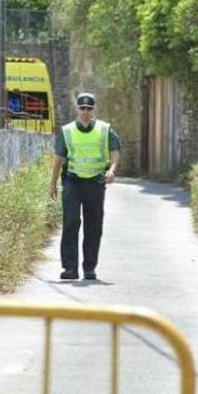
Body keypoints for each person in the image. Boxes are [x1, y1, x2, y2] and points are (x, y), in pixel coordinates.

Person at [48, 92, 121, 280]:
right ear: (77, 109)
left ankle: (89, 268)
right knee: (71, 222)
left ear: (94, 109)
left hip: (95, 183)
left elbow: (115, 152)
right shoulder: (67, 131)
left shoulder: (105, 129)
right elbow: (59, 159)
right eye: (82, 108)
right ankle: (70, 268)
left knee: (93, 226)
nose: (86, 112)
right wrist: (53, 182)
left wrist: (112, 170)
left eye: (89, 109)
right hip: (73, 182)